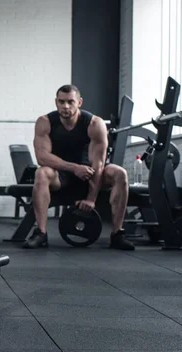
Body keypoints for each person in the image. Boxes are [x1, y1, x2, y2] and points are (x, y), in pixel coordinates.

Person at [23, 84, 135, 250]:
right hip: (61, 175)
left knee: (120, 174)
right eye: (61, 102)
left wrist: (91, 199)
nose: (65, 106)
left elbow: (98, 163)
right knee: (41, 173)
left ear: (79, 102)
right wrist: (74, 168)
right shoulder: (45, 122)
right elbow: (42, 157)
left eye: (70, 102)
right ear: (56, 102)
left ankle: (117, 234)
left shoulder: (94, 124)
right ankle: (41, 233)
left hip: (90, 173)